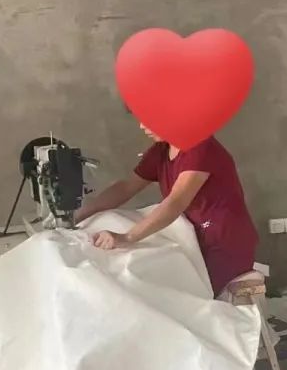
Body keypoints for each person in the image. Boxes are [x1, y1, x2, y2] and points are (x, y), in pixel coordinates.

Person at [74, 122, 259, 297]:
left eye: (147, 118)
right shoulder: (161, 151)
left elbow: (176, 202)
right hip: (194, 237)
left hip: (224, 240)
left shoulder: (200, 147)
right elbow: (126, 187)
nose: (142, 125)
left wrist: (127, 237)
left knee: (213, 303)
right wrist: (79, 216)